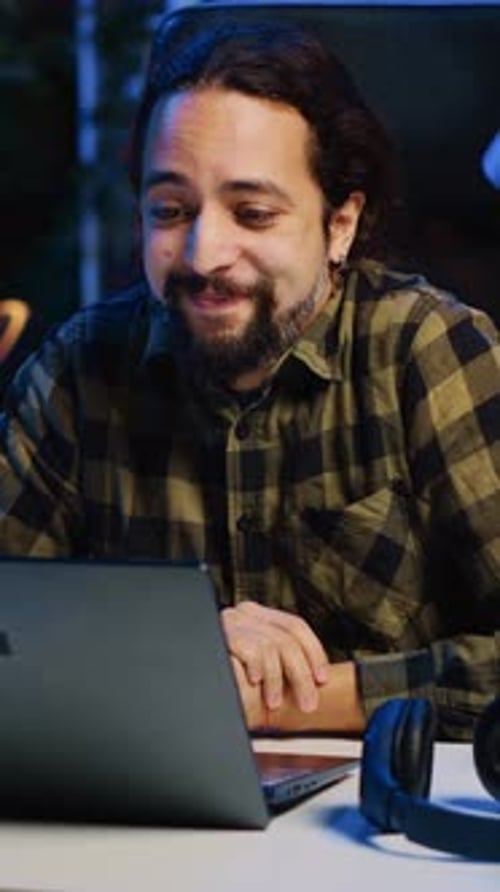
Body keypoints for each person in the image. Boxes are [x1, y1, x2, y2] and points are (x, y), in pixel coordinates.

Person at [0, 18, 499, 741]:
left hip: (373, 833)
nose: (204, 253)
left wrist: (287, 698)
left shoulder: (430, 353)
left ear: (341, 224)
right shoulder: (81, 367)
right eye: (170, 211)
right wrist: (182, 654)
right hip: (138, 822)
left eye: (253, 213)